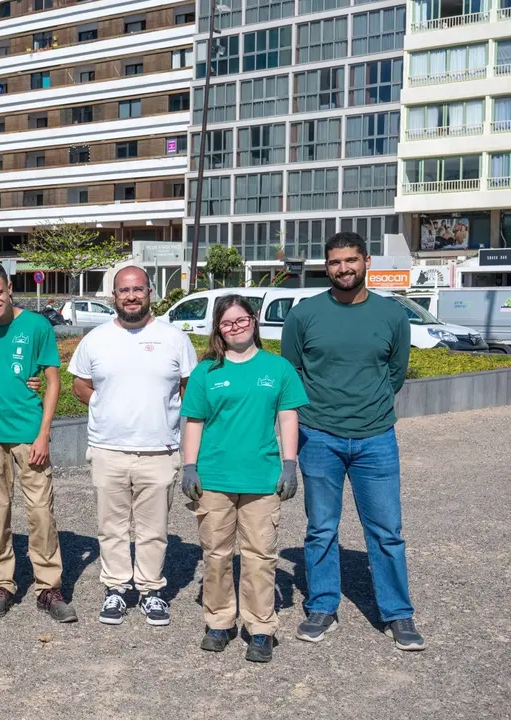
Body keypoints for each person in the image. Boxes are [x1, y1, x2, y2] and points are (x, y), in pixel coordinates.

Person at [281, 232, 426, 652]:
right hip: (318, 436)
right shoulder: (304, 315)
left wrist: (370, 407)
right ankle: (323, 605)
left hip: (376, 437)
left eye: (351, 260)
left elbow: (395, 372)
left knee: (386, 531)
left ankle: (398, 613)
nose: (343, 268)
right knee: (321, 528)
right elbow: (292, 376)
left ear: (366, 262)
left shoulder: (392, 315)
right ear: (326, 267)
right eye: (334, 262)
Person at [180, 295, 308, 664]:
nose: (235, 327)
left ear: (254, 321)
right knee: (217, 555)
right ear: (218, 329)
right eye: (227, 323)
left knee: (260, 556)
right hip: (215, 478)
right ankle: (219, 622)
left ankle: (261, 628)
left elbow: (287, 418)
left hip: (262, 478)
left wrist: (289, 464)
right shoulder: (207, 372)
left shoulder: (278, 368)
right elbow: (194, 422)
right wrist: (189, 467)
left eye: (241, 320)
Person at [67, 265, 197, 626]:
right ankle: (115, 589)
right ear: (114, 296)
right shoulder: (96, 339)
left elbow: (189, 386)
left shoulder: (174, 339)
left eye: (138, 289)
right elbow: (79, 384)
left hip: (159, 449)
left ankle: (151, 591)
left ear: (149, 292)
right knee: (111, 526)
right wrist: (105, 405)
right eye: (124, 291)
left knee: (154, 528)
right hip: (108, 448)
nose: (131, 296)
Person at [0, 262, 76, 623]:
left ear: (10, 287)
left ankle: (49, 587)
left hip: (30, 434)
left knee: (41, 512)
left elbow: (53, 380)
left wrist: (45, 433)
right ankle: (1, 583)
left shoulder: (36, 326)